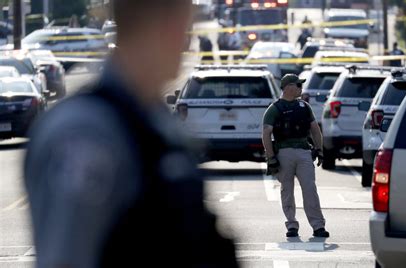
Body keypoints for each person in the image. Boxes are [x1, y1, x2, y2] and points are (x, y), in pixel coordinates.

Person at [23, 0, 238, 267]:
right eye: (186, 26)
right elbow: (66, 257)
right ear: (165, 26)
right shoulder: (85, 133)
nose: (187, 42)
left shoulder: (155, 121)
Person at [262, 74, 329, 238]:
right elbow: (266, 133)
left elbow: (315, 129)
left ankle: (318, 226)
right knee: (287, 191)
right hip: (283, 152)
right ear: (289, 87)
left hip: (304, 151)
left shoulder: (304, 106)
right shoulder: (274, 108)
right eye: (298, 85)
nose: (301, 88)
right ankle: (291, 225)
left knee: (310, 189)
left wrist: (319, 149)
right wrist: (271, 157)